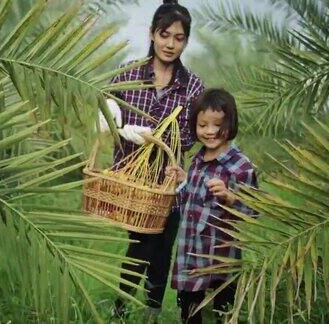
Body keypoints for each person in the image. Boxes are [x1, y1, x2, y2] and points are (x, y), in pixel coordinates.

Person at [97, 0, 204, 320]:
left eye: (179, 37)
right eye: (165, 34)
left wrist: (175, 154)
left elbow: (201, 134)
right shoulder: (128, 75)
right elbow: (106, 119)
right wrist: (126, 130)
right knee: (143, 245)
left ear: (186, 41)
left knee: (161, 248)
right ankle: (128, 309)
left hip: (169, 186)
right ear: (152, 34)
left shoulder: (193, 87)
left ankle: (140, 310)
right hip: (132, 185)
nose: (171, 44)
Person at [165, 88, 259, 323]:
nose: (210, 131)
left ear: (231, 123)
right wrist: (183, 179)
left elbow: (253, 211)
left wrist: (230, 197)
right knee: (189, 311)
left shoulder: (240, 167)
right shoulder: (197, 159)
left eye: (218, 125)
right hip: (190, 253)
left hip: (219, 257)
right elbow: (193, 200)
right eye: (203, 125)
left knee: (222, 312)